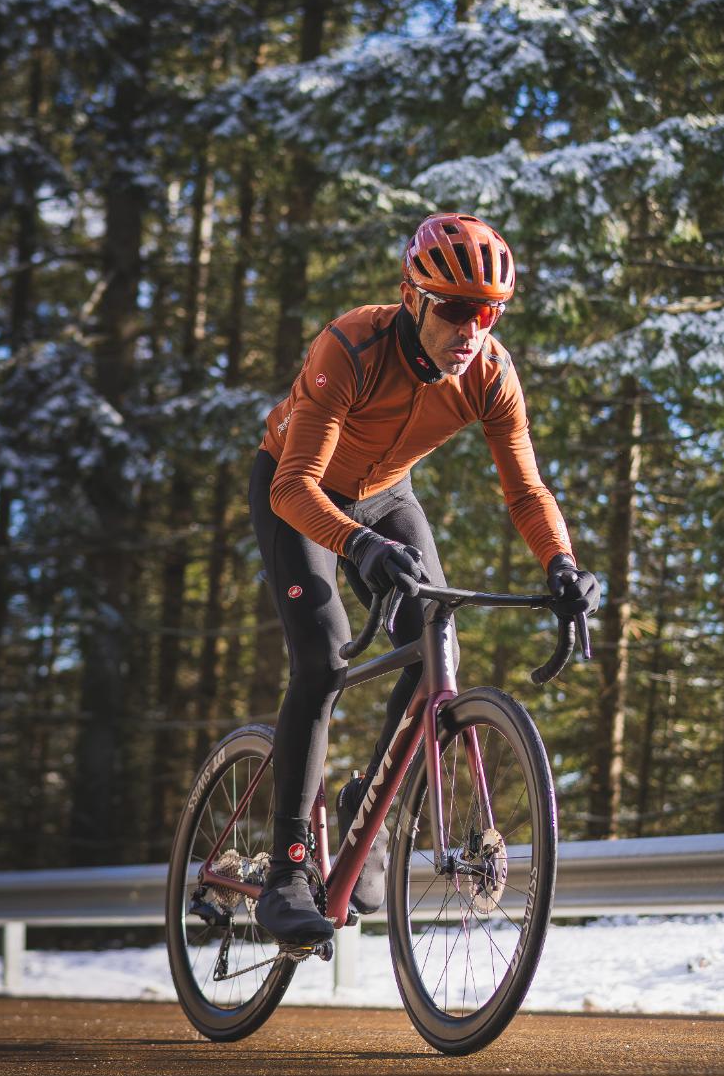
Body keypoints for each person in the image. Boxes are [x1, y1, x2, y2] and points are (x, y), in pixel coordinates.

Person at [249, 211, 599, 945]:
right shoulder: (351, 346)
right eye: (456, 310)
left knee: (436, 647)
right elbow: (293, 487)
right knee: (323, 658)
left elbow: (526, 491)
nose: (472, 329)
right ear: (412, 298)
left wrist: (561, 564)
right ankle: (286, 870)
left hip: (387, 497)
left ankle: (366, 812)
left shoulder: (492, 375)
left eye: (488, 312)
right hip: (298, 493)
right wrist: (357, 546)